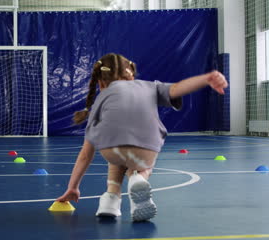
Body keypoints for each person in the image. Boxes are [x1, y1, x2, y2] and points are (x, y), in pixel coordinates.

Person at [56, 53, 228, 222]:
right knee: (137, 164)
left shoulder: (100, 99)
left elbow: (85, 154)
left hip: (111, 150)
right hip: (145, 148)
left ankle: (109, 201)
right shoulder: (149, 86)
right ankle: (139, 177)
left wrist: (73, 187)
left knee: (118, 155)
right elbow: (177, 89)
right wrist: (206, 79)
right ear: (131, 74)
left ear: (100, 82)